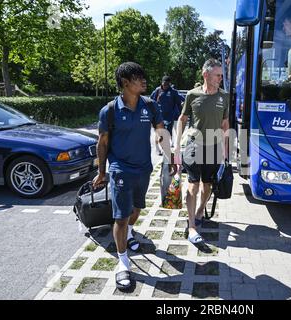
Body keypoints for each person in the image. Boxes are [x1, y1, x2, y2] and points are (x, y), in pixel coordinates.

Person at [93, 62, 169, 290]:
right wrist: (102, 172)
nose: (144, 81)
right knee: (121, 217)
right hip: (120, 169)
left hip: (144, 168)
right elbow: (102, 143)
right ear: (125, 82)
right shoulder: (109, 111)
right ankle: (123, 262)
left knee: (136, 211)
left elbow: (161, 132)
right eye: (138, 77)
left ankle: (129, 234)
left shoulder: (150, 105)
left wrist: (171, 158)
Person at [174, 59, 229, 245]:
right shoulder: (192, 95)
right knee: (193, 185)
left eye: (221, 75)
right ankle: (191, 226)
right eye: (217, 75)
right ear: (205, 75)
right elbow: (182, 119)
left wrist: (226, 152)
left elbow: (224, 124)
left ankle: (199, 212)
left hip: (214, 148)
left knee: (207, 186)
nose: (220, 78)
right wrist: (176, 146)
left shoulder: (225, 96)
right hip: (193, 146)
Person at [151, 75, 184, 154]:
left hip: (169, 118)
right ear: (161, 83)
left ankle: (165, 149)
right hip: (158, 117)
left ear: (170, 84)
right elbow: (151, 101)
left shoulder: (173, 92)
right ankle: (157, 149)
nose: (165, 86)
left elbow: (182, 99)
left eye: (167, 84)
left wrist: (184, 103)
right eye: (164, 84)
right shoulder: (157, 91)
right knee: (158, 133)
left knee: (166, 135)